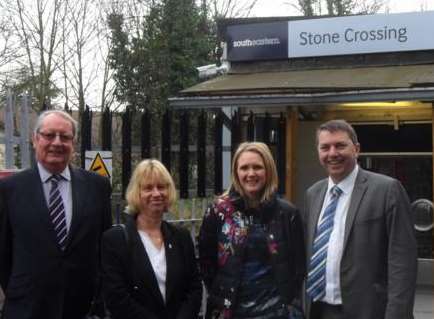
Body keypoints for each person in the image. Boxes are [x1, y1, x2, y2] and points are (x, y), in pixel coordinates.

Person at [0, 110, 112, 319]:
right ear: (35, 139)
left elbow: (103, 249)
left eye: (65, 137)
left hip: (82, 309)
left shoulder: (97, 186)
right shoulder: (9, 189)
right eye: (49, 135)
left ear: (74, 143)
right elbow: (3, 254)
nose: (57, 142)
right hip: (26, 309)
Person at [303, 119, 417, 319]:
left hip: (369, 312)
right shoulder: (313, 194)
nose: (332, 153)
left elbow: (403, 264)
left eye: (340, 145)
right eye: (325, 147)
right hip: (318, 310)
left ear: (356, 149)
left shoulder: (387, 190)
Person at [199, 142, 305, 319]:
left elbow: (297, 268)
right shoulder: (217, 212)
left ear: (268, 170)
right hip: (230, 312)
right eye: (244, 168)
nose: (251, 173)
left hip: (277, 313)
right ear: (236, 172)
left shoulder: (287, 213)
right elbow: (206, 265)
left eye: (257, 167)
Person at [101, 159, 202, 319]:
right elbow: (116, 297)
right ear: (137, 193)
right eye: (148, 188)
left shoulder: (181, 237)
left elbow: (194, 288)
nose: (156, 194)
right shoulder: (115, 240)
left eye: (161, 187)